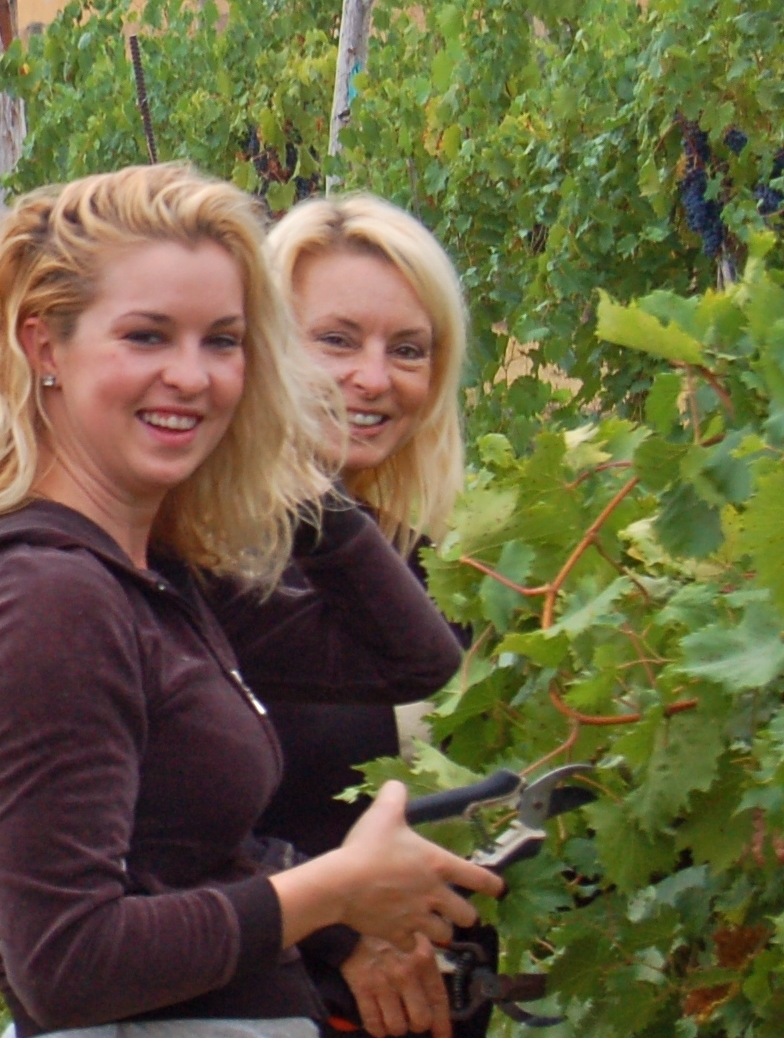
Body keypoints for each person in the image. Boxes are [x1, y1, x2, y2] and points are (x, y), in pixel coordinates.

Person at [0, 163, 502, 1038]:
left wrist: (287, 467)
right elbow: (66, 963)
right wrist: (332, 893)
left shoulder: (147, 572)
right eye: (146, 336)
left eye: (224, 341)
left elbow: (410, 658)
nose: (193, 376)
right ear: (43, 345)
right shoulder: (50, 598)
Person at [251, 195, 474, 1038]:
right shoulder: (208, 567)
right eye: (335, 340)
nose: (373, 378)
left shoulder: (449, 559)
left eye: (407, 349)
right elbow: (152, 823)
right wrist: (337, 928)